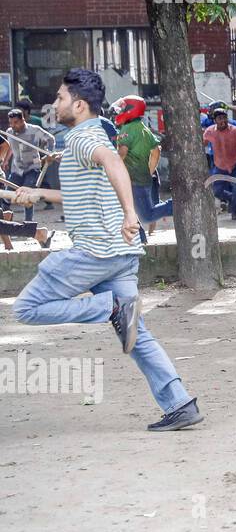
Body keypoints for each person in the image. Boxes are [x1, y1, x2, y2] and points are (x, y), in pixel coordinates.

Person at [11, 69, 202, 431]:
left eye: (60, 98)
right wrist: (37, 195)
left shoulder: (84, 137)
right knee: (135, 332)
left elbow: (115, 165)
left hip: (95, 253)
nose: (54, 103)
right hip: (121, 254)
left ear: (79, 105)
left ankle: (108, 307)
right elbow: (79, 194)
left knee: (27, 308)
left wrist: (131, 213)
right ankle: (180, 403)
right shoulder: (88, 135)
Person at [111, 95, 172, 242]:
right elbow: (156, 150)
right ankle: (140, 238)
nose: (118, 113)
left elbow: (122, 154)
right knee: (129, 211)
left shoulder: (126, 130)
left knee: (146, 215)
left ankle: (175, 205)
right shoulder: (143, 128)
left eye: (122, 109)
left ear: (130, 110)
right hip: (142, 179)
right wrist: (149, 171)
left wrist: (109, 167)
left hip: (132, 180)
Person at [1, 107, 56, 222]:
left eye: (15, 122)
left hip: (33, 168)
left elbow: (50, 139)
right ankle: (4, 220)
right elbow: (10, 147)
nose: (13, 125)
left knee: (27, 196)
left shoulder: (34, 130)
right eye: (11, 123)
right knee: (7, 195)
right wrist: (6, 160)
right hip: (17, 169)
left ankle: (28, 223)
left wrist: (49, 152)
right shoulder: (9, 132)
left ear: (22, 120)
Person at [203, 107, 236, 221]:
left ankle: (235, 212)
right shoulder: (209, 131)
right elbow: (202, 143)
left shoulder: (235, 130)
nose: (223, 121)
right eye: (220, 118)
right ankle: (230, 199)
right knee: (216, 191)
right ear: (215, 120)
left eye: (225, 118)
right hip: (220, 167)